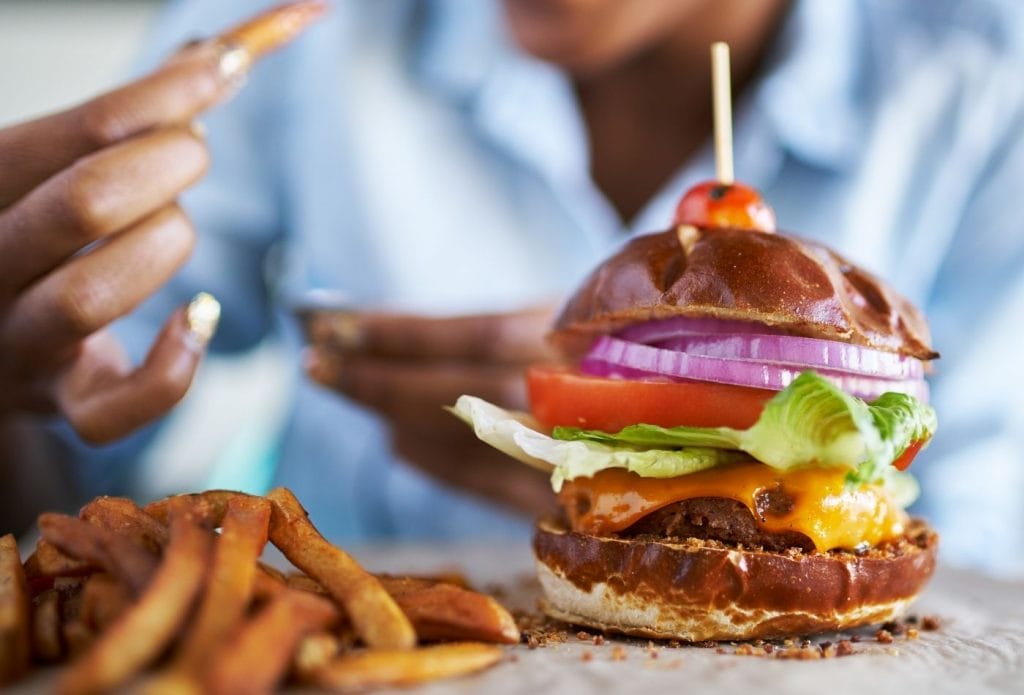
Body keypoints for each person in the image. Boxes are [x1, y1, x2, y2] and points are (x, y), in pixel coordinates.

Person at [2, 0, 1023, 572]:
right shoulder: (288, 32)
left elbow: (989, 556)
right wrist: (18, 378)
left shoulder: (984, 82)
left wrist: (677, 458)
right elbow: (64, 475)